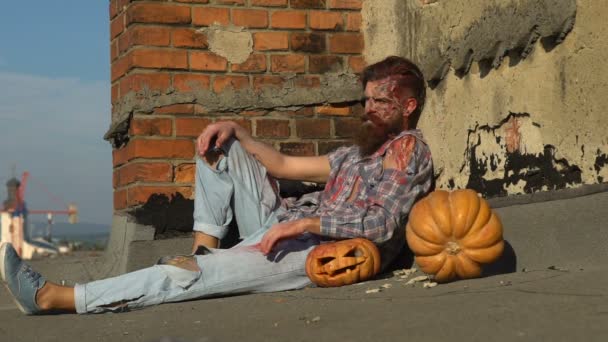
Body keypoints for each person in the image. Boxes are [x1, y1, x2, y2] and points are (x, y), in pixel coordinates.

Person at [0, 56, 433, 315]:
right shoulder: (358, 151)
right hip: (282, 225)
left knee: (182, 279)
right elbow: (283, 163)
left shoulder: (408, 150)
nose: (369, 109)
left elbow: (382, 224)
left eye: (381, 101)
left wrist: (302, 226)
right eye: (367, 99)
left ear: (408, 106)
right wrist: (237, 131)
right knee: (218, 148)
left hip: (315, 252)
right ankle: (199, 252)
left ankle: (55, 297)